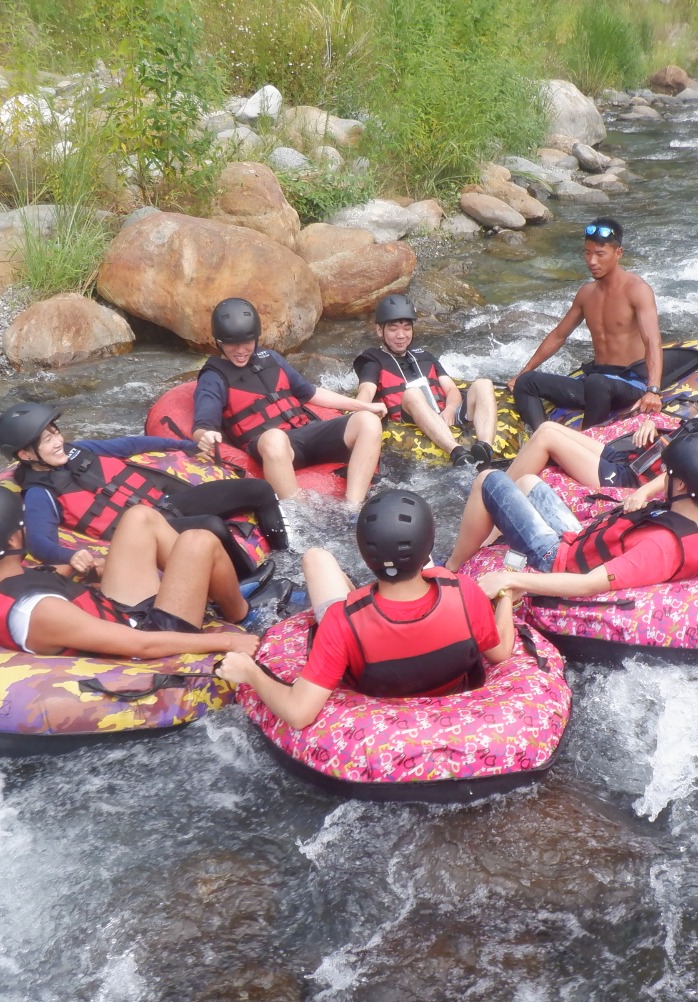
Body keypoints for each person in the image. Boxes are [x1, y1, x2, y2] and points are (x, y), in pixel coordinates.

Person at [215, 489, 517, 730]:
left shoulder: (340, 621)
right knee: (413, 576)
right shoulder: (465, 591)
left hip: (362, 639)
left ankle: (362, 584)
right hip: (440, 665)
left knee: (316, 558)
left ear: (363, 552)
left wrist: (249, 672)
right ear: (428, 550)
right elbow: (501, 652)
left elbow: (298, 713)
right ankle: (391, 576)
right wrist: (504, 597)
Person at [0, 485, 286, 658]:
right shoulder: (42, 611)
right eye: (23, 524)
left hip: (111, 609)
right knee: (198, 541)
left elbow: (28, 582)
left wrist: (73, 572)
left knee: (141, 517)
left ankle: (213, 585)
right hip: (141, 630)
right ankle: (242, 612)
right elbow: (142, 645)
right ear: (14, 538)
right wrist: (227, 640)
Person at [0, 402, 288, 591]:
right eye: (47, 440)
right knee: (211, 526)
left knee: (259, 490)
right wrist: (70, 556)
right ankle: (247, 585)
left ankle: (285, 553)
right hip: (145, 534)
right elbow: (40, 542)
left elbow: (131, 444)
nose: (58, 442)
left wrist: (185, 446)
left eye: (55, 433)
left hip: (166, 503)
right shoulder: (39, 493)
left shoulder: (80, 449)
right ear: (25, 454)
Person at [446, 433, 698, 606]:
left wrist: (509, 577)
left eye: (671, 475)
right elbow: (675, 481)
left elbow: (587, 584)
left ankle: (452, 567)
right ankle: (483, 538)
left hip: (557, 558)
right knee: (526, 482)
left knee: (489, 478)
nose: (666, 478)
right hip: (581, 539)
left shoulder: (660, 547)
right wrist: (647, 490)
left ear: (684, 486)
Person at [192, 298, 386, 505]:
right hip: (272, 446)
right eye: (232, 343)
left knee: (368, 421)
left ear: (256, 338)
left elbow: (311, 393)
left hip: (307, 433)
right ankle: (299, 516)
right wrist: (205, 436)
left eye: (247, 342)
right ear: (219, 342)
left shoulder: (271, 358)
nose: (240, 350)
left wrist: (365, 406)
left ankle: (352, 508)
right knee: (275, 437)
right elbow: (202, 427)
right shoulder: (213, 378)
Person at [498, 368, 698, 502]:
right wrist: (653, 428)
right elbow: (679, 434)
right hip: (629, 459)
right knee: (548, 428)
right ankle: (500, 487)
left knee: (546, 438)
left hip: (628, 480)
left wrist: (642, 494)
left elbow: (687, 472)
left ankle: (497, 495)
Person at [508, 218, 663, 432]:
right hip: (594, 385)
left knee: (598, 382)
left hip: (629, 384)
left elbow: (652, 341)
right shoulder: (586, 294)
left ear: (618, 253)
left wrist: (653, 389)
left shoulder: (637, 290)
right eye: (587, 252)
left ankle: (585, 443)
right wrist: (523, 373)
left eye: (600, 254)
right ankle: (540, 437)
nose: (592, 261)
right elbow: (559, 335)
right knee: (528, 382)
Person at [353, 294, 499, 467]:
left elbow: (452, 390)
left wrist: (451, 409)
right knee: (413, 393)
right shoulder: (372, 360)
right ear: (379, 330)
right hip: (409, 419)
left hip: (445, 415)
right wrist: (359, 414)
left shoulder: (424, 355)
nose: (401, 335)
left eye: (407, 328)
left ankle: (485, 447)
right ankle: (456, 451)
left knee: (484, 384)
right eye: (393, 329)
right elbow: (366, 391)